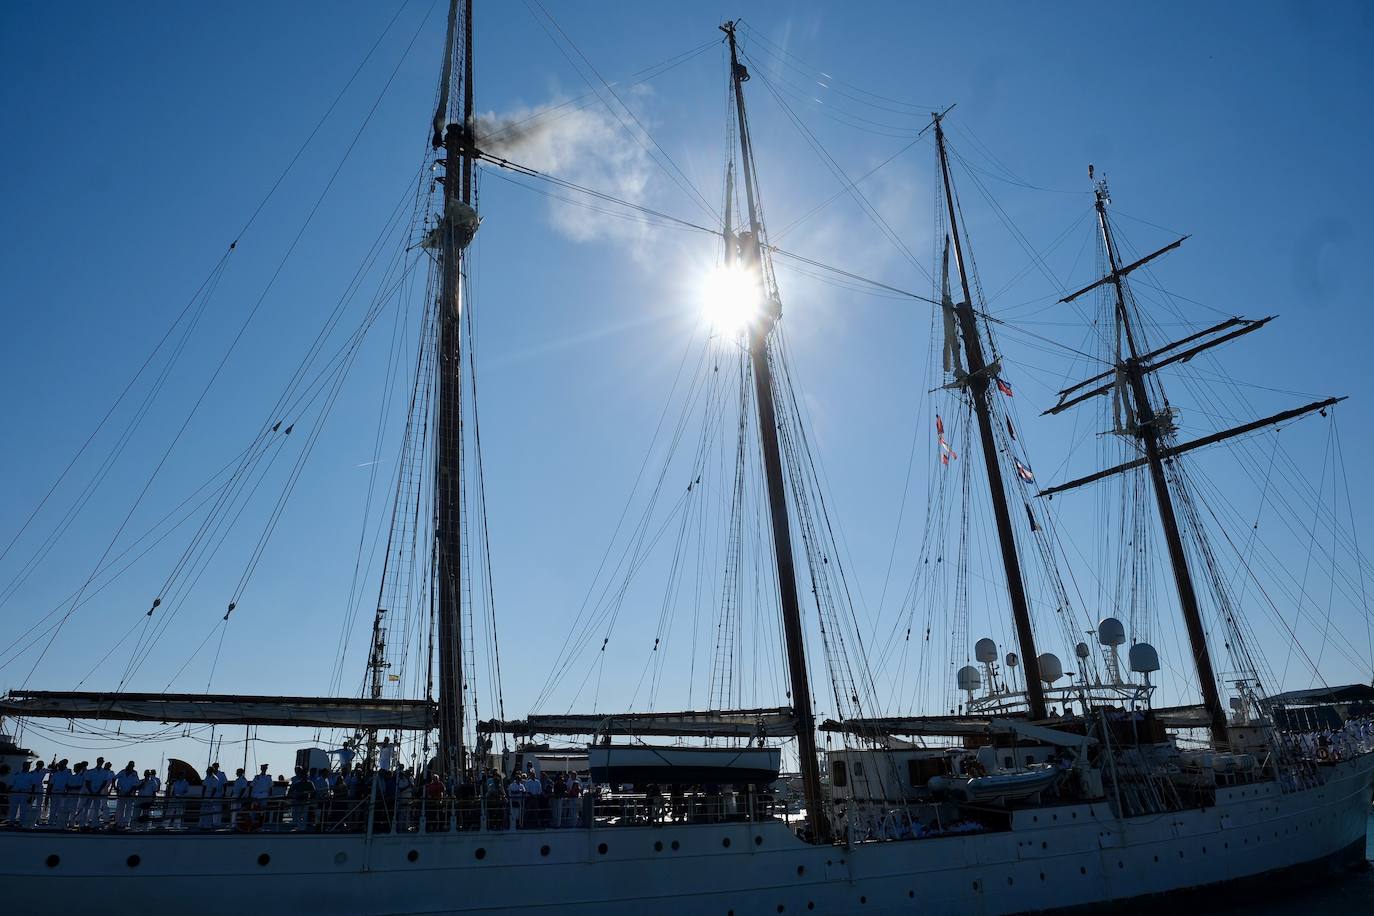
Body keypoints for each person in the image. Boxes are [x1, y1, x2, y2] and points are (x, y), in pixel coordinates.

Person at [114, 762, 141, 829]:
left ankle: (126, 823)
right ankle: (118, 822)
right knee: (120, 808)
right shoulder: (122, 771)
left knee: (128, 809)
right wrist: (115, 788)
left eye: (132, 766)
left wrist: (130, 792)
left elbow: (136, 784)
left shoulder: (134, 773)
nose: (131, 767)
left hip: (130, 793)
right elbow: (114, 778)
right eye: (130, 765)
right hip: (122, 792)